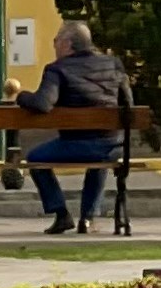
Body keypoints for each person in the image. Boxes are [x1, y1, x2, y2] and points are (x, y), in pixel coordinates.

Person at [18, 19, 131, 235]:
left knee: (35, 158)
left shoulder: (57, 69)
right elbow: (128, 102)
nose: (54, 44)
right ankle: (87, 218)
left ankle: (61, 213)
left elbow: (43, 104)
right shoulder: (113, 64)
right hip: (112, 143)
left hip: (77, 143)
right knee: (101, 158)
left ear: (67, 44)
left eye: (56, 40)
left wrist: (21, 96)